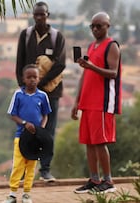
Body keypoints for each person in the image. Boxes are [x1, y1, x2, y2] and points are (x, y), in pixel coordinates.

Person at [71, 12, 122, 194]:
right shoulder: (92, 46)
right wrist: (76, 101)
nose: (95, 29)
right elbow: (85, 75)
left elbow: (113, 73)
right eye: (92, 26)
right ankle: (94, 179)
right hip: (88, 101)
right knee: (89, 142)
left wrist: (90, 66)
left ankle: (108, 181)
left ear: (108, 26)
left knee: (100, 142)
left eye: (99, 26)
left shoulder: (112, 46)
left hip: (102, 102)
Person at [15, 1, 66, 182]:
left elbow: (60, 64)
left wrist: (40, 84)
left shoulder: (56, 37)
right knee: (25, 130)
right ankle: (22, 171)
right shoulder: (26, 35)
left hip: (50, 94)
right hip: (29, 95)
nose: (39, 18)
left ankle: (45, 170)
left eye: (42, 15)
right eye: (36, 15)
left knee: (47, 132)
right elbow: (19, 63)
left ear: (47, 15)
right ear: (33, 16)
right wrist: (23, 88)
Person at [4, 64, 52, 203]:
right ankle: (12, 193)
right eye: (29, 77)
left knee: (31, 167)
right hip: (21, 137)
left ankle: (26, 193)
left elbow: (45, 115)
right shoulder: (18, 94)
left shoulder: (42, 96)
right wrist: (25, 123)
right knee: (18, 165)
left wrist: (40, 130)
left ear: (39, 78)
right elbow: (12, 115)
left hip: (35, 140)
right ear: (23, 79)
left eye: (35, 77)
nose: (32, 80)